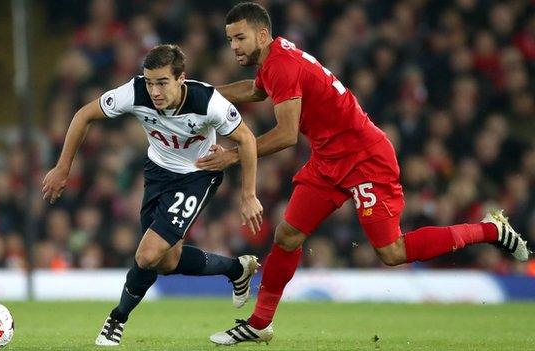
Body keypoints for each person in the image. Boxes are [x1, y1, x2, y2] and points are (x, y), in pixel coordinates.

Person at [197, 3, 531, 345]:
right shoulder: (274, 59)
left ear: (262, 34)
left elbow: (286, 135)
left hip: (365, 159)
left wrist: (231, 157)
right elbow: (256, 91)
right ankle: (259, 324)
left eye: (240, 37)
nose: (234, 46)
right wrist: (202, 93)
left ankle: (490, 229)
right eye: (230, 39)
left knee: (392, 252)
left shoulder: (282, 65)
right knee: (287, 236)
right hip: (329, 159)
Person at [42, 44, 263, 347]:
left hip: (197, 176)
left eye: (162, 82)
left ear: (180, 78)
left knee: (146, 254)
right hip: (157, 174)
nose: (155, 91)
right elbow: (83, 115)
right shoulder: (135, 93)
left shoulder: (208, 102)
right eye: (149, 82)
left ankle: (116, 319)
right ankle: (237, 269)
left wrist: (248, 194)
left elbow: (247, 140)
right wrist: (62, 167)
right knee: (166, 262)